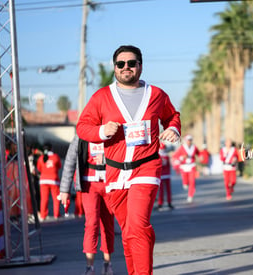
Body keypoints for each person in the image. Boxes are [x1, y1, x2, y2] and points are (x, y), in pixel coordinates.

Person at [76, 45, 181, 275]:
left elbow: (172, 116)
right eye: (121, 64)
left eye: (131, 63)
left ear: (140, 66)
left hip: (147, 167)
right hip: (115, 174)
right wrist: (102, 131)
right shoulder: (101, 97)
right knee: (129, 230)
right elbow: (82, 127)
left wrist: (173, 128)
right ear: (114, 68)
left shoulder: (156, 95)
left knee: (136, 226)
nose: (126, 67)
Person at [60, 135, 114, 275]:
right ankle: (89, 266)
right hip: (89, 184)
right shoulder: (81, 135)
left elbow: (123, 153)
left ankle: (107, 264)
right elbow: (70, 161)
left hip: (109, 183)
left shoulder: (112, 128)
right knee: (91, 223)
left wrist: (108, 160)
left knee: (108, 224)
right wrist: (64, 190)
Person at [36, 143, 62, 221]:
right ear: (51, 148)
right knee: (56, 198)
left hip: (43, 180)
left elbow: (39, 169)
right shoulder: (56, 157)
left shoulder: (41, 158)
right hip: (54, 180)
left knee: (44, 199)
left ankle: (43, 215)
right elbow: (59, 166)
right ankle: (56, 214)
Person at [173, 135, 200, 203]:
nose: (189, 141)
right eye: (188, 140)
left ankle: (190, 196)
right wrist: (182, 157)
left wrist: (200, 156)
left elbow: (198, 153)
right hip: (184, 166)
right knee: (185, 181)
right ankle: (185, 183)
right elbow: (175, 157)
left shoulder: (194, 147)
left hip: (192, 165)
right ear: (185, 140)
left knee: (192, 181)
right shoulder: (182, 148)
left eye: (190, 140)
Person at [156, 142, 174, 211]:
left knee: (161, 191)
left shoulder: (158, 156)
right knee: (168, 190)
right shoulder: (167, 156)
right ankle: (169, 203)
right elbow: (169, 165)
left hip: (161, 175)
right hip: (167, 174)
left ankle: (160, 204)